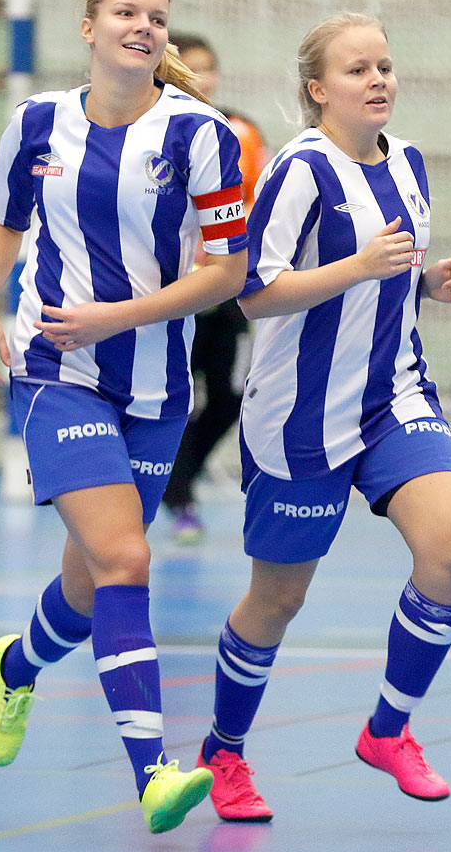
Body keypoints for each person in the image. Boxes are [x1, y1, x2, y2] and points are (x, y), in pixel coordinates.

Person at [0, 0, 249, 835]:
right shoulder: (37, 123)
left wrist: (120, 315)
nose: (144, 26)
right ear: (89, 27)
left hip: (158, 382)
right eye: (126, 12)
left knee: (89, 583)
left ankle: (18, 662)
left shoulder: (203, 135)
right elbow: (5, 222)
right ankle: (154, 770)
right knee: (126, 560)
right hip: (58, 369)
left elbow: (226, 272)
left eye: (158, 16)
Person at [194, 13, 451, 822]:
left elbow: (394, 270)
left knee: (450, 551)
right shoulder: (298, 170)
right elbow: (253, 291)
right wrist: (356, 266)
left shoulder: (410, 162)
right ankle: (224, 750)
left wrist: (430, 283)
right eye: (358, 70)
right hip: (299, 419)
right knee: (278, 602)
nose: (379, 80)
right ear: (319, 90)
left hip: (394, 398)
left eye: (385, 65)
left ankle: (388, 731)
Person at [160, 33, 269, 544]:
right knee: (169, 399)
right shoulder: (149, 133)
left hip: (228, 290)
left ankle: (176, 481)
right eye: (190, 68)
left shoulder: (242, 132)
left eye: (208, 68)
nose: (200, 78)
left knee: (229, 397)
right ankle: (176, 494)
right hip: (170, 294)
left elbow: (261, 206)